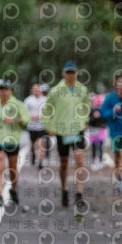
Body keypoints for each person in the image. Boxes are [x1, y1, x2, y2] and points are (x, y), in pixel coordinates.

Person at [41, 61, 91, 207]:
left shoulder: (82, 90)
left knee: (79, 158)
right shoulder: (56, 91)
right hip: (61, 130)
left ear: (77, 73)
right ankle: (64, 189)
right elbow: (46, 110)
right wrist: (49, 126)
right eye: (68, 72)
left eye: (73, 72)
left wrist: (85, 119)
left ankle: (79, 193)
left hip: (77, 129)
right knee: (64, 162)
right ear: (64, 74)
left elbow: (87, 105)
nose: (70, 75)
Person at [0, 79, 30, 206]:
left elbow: (26, 118)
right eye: (1, 90)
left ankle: (13, 190)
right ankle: (0, 194)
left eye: (6, 89)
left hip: (12, 140)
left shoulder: (17, 104)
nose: (3, 92)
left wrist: (15, 120)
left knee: (12, 169)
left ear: (10, 91)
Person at [23, 83, 48, 169]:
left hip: (42, 125)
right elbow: (24, 112)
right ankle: (33, 153)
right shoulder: (28, 100)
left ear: (41, 90)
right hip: (32, 126)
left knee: (41, 143)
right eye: (34, 89)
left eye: (37, 89)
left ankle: (40, 162)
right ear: (32, 90)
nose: (36, 91)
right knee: (32, 144)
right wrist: (31, 116)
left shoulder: (45, 100)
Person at [88, 91, 108, 170]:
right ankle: (93, 160)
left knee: (100, 145)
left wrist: (100, 116)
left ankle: (100, 160)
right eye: (97, 104)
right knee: (93, 146)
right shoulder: (91, 110)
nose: (98, 106)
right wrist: (94, 117)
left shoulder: (103, 110)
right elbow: (89, 121)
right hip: (93, 129)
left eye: (99, 104)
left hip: (101, 129)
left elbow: (106, 120)